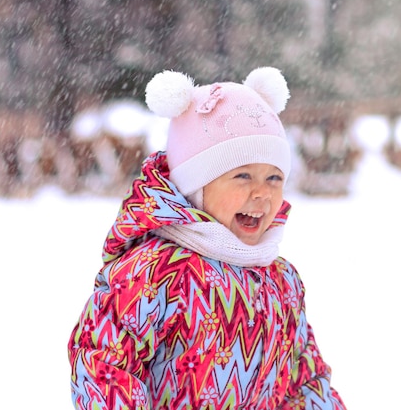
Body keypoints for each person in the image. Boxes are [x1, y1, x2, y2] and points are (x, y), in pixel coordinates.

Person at [67, 66, 347, 410]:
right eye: (242, 175)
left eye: (274, 178)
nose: (261, 193)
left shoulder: (281, 281)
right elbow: (104, 364)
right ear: (196, 186)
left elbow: (303, 381)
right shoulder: (155, 272)